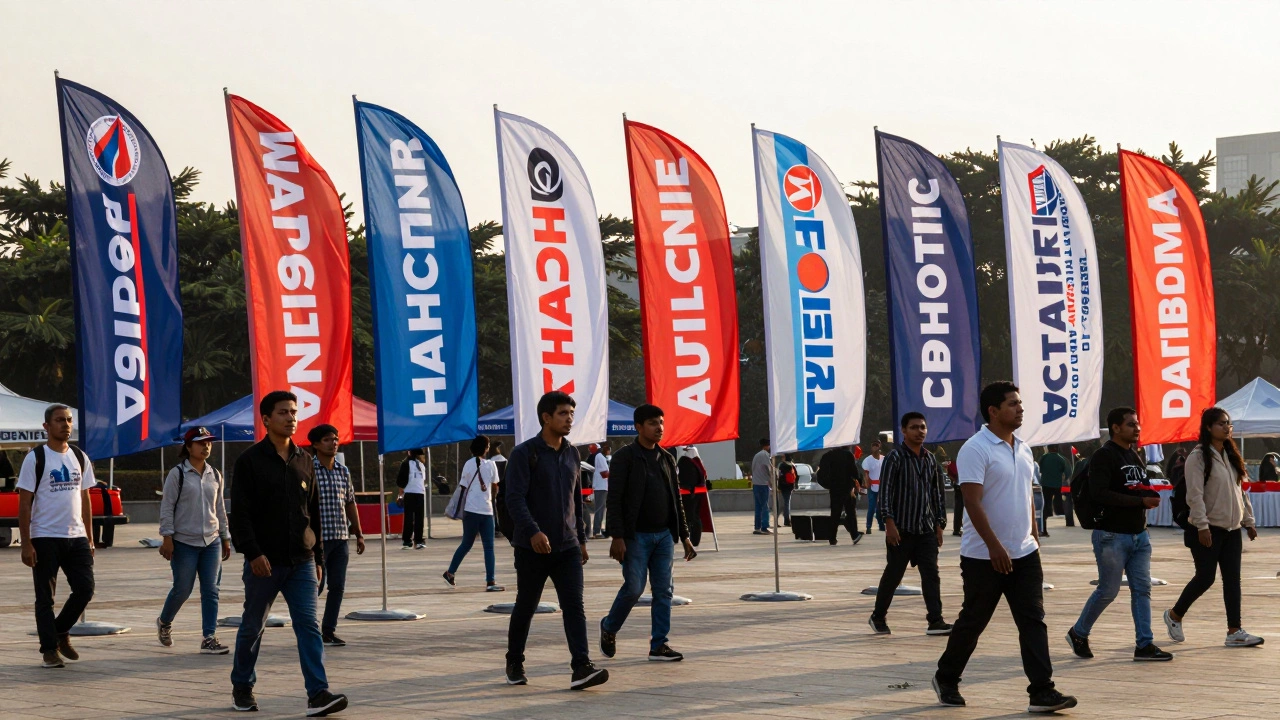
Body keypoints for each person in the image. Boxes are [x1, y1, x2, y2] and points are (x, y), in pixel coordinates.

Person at [933, 381, 1076, 713]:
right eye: (1013, 404)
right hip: (984, 556)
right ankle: (947, 678)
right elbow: (972, 502)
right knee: (974, 621)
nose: (1020, 408)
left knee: (1033, 620)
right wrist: (994, 545)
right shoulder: (975, 448)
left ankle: (1041, 691)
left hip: (1024, 553)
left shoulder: (1024, 447)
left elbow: (1026, 496)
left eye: (1020, 403)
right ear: (993, 411)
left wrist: (1034, 536)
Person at [228, 391, 346, 716]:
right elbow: (240, 514)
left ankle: (318, 694)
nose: (291, 417)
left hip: (302, 562)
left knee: (308, 625)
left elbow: (314, 513)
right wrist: (252, 553)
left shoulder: (305, 460)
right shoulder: (249, 461)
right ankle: (242, 687)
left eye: (294, 412)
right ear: (266, 419)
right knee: (253, 626)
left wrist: (319, 558)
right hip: (263, 563)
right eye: (283, 412)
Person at [504, 391, 608, 690]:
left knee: (574, 606)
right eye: (563, 414)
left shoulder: (573, 453)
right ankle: (514, 661)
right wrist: (533, 531)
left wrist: (582, 538)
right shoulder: (524, 453)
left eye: (571, 414)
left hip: (568, 546)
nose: (569, 420)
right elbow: (514, 499)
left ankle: (581, 666)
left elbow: (575, 499)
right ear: (545, 417)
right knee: (526, 605)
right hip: (532, 547)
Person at [1066, 408, 1172, 662]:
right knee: (1108, 591)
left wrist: (1149, 495)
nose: (1137, 428)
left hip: (1139, 535)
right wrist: (1139, 502)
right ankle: (1078, 632)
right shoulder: (1104, 456)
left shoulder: (1134, 455)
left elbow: (1136, 486)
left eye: (1137, 424)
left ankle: (1144, 645)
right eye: (1130, 424)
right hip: (1112, 535)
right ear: (1115, 428)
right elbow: (1099, 493)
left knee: (1142, 589)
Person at [600, 404, 697, 663]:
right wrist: (617, 536)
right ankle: (609, 627)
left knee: (664, 591)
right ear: (639, 427)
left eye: (661, 423)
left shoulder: (667, 457)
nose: (659, 428)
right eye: (653, 423)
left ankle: (659, 645)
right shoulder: (625, 457)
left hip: (664, 535)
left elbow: (676, 499)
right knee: (633, 588)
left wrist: (684, 535)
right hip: (635, 537)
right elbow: (615, 499)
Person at [1163, 407, 1264, 648]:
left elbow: (1240, 491)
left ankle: (1234, 631)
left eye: (1228, 423)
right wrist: (1202, 526)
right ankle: (1174, 615)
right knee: (1205, 577)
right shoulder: (1198, 457)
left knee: (1232, 580)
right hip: (1207, 528)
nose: (1227, 427)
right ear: (1208, 427)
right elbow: (1195, 495)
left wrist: (1248, 521)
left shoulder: (1230, 455)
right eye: (1221, 423)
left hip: (1231, 529)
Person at [17, 404, 96, 669]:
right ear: (47, 426)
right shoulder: (36, 458)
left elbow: (85, 497)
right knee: (45, 598)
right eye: (60, 420)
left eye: (69, 420)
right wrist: (26, 543)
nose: (66, 424)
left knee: (85, 589)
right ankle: (49, 649)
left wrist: (90, 537)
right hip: (44, 537)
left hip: (76, 537)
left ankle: (60, 631)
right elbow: (25, 502)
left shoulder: (79, 456)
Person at [869, 412, 951, 637]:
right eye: (914, 427)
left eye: (923, 427)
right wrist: (889, 523)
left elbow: (937, 494)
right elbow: (885, 491)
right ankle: (878, 616)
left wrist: (940, 523)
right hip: (901, 529)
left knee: (931, 575)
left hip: (925, 530)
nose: (920, 431)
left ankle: (935, 620)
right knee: (894, 575)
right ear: (903, 431)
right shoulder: (895, 458)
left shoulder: (930, 459)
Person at [156, 427, 232, 655]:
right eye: (200, 443)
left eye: (209, 442)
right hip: (183, 542)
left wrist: (225, 537)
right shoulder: (177, 474)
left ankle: (209, 637)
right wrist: (167, 537)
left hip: (212, 541)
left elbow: (219, 508)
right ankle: (164, 621)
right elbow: (167, 506)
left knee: (211, 590)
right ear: (188, 447)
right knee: (182, 589)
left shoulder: (215, 474)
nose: (206, 446)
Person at [308, 424, 366, 648]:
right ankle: (309, 630)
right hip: (317, 540)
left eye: (335, 438)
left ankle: (328, 631)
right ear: (315, 444)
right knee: (315, 586)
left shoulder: (343, 471)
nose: (333, 443)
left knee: (338, 586)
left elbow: (350, 502)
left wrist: (358, 533)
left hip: (341, 537)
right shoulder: (308, 470)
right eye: (327, 439)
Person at [443, 435, 503, 592]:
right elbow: (495, 487)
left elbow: (463, 486)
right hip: (487, 511)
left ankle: (450, 573)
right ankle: (491, 582)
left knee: (466, 544)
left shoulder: (468, 464)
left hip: (470, 510)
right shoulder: (492, 465)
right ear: (485, 448)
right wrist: (491, 498)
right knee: (489, 547)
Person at [819, 445, 863, 545]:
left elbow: (821, 474)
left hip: (834, 488)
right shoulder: (848, 455)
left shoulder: (827, 456)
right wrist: (858, 482)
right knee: (850, 512)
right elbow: (854, 471)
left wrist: (829, 484)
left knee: (835, 513)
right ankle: (854, 535)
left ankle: (832, 538)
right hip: (846, 487)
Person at [396, 449, 427, 550]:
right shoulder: (417, 464)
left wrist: (400, 492)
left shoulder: (407, 463)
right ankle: (417, 540)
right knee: (417, 518)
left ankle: (408, 540)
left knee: (410, 518)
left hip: (412, 492)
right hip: (417, 492)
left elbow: (401, 480)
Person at [677, 447, 708, 547]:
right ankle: (695, 539)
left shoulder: (684, 462)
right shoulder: (698, 462)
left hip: (688, 494)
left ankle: (691, 538)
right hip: (698, 494)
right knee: (695, 516)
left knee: (689, 517)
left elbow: (682, 478)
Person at [1038, 445, 1069, 532]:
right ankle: (1059, 511)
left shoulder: (1044, 457)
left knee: (1047, 500)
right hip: (1057, 483)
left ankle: (1048, 512)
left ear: (1048, 449)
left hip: (1045, 483)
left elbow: (1039, 468)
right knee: (1057, 498)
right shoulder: (1061, 458)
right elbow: (1065, 470)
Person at [750, 439, 774, 535]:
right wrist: (772, 480)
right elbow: (769, 469)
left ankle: (757, 527)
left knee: (758, 506)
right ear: (767, 446)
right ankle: (765, 526)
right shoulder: (765, 455)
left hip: (756, 484)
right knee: (765, 506)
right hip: (763, 484)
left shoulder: (756, 455)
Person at [863, 440, 886, 534]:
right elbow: (866, 474)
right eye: (874, 445)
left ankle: (881, 525)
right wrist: (866, 483)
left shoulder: (884, 459)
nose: (875, 447)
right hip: (872, 486)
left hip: (882, 487)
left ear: (880, 446)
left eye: (877, 445)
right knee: (872, 508)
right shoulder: (867, 460)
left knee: (880, 508)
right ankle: (869, 526)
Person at [591, 444, 612, 539]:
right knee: (599, 510)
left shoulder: (599, 456)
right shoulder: (599, 456)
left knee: (601, 510)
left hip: (602, 487)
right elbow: (604, 473)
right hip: (601, 487)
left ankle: (597, 531)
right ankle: (597, 531)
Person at [777, 453, 797, 527]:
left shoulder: (782, 465)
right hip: (790, 486)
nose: (782, 458)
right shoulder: (792, 465)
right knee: (786, 503)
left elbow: (780, 476)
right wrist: (794, 486)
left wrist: (779, 487)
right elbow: (796, 476)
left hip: (783, 487)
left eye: (783, 457)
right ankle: (787, 520)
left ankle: (780, 520)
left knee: (782, 504)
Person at [948, 458, 963, 536]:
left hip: (958, 484)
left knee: (958, 508)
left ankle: (956, 528)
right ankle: (958, 528)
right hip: (964, 484)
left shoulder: (956, 460)